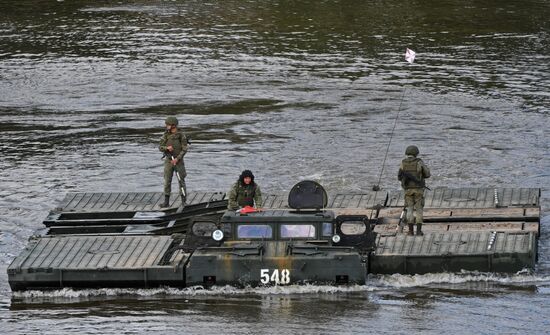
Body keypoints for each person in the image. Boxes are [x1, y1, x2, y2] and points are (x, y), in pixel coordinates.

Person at [398, 145, 430, 236]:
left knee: (409, 210)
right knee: (419, 209)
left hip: (407, 190)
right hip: (419, 190)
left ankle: (410, 231)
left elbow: (399, 177)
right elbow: (427, 174)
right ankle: (419, 231)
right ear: (416, 153)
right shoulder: (419, 162)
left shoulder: (403, 163)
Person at [159, 116, 188, 208]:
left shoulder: (181, 135)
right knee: (167, 181)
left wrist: (177, 158)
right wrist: (166, 148)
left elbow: (184, 149)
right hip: (168, 161)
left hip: (178, 161)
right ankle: (166, 202)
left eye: (167, 124)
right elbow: (160, 147)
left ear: (173, 125)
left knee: (181, 181)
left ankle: (184, 202)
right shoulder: (165, 135)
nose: (166, 126)